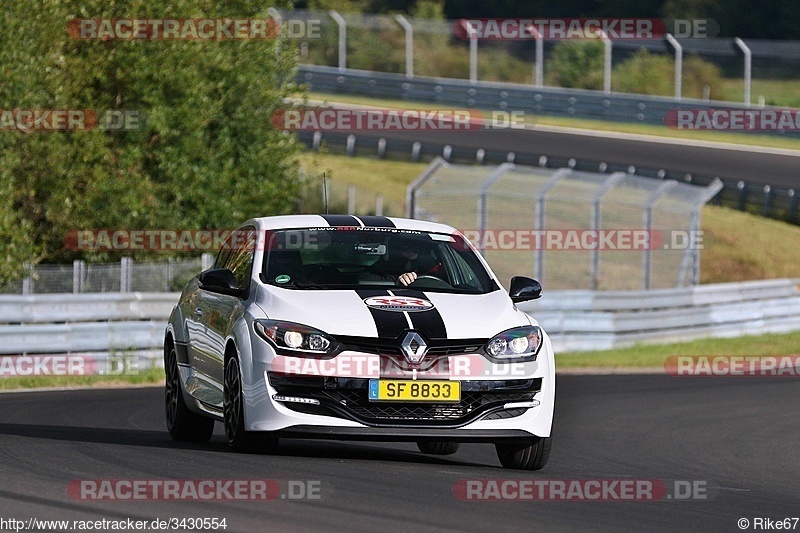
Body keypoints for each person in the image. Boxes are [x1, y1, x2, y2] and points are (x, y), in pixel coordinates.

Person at [360, 239, 441, 286]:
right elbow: (363, 279)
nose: (411, 251)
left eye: (416, 248)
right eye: (405, 247)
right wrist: (397, 281)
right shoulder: (381, 268)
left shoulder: (430, 269)